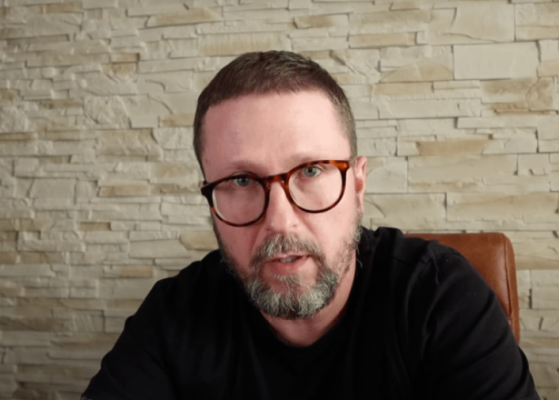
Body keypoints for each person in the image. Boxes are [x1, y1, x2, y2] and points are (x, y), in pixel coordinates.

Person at [82, 51, 539, 399]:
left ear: (358, 184)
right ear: (209, 194)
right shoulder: (173, 317)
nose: (280, 221)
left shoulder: (440, 299)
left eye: (311, 170)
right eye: (241, 180)